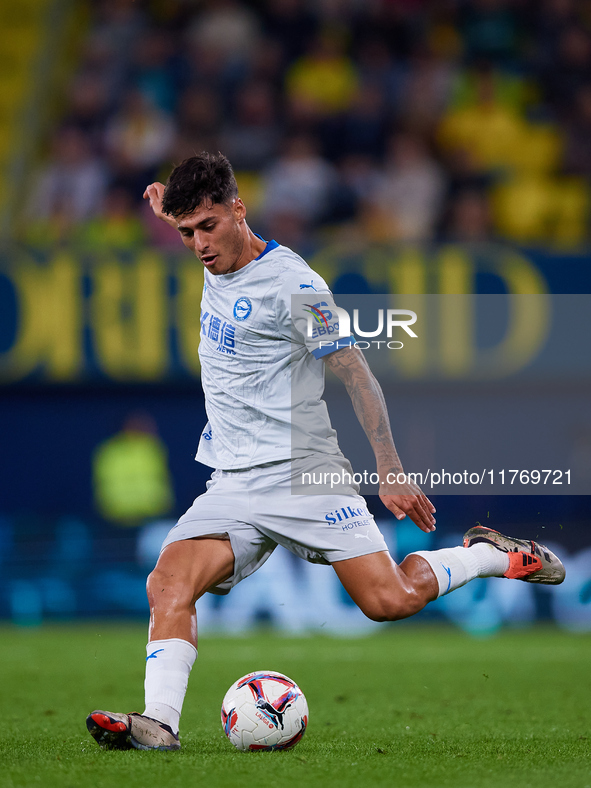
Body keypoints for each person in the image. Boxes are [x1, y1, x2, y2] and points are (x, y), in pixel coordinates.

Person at [86, 152, 565, 752]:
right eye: (186, 232)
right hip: (232, 482)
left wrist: (389, 469)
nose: (199, 245)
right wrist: (165, 207)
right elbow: (185, 216)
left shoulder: (296, 285)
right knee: (167, 584)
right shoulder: (206, 243)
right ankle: (159, 722)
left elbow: (358, 375)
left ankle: (492, 556)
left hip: (304, 474)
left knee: (387, 600)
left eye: (209, 226)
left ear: (240, 210)